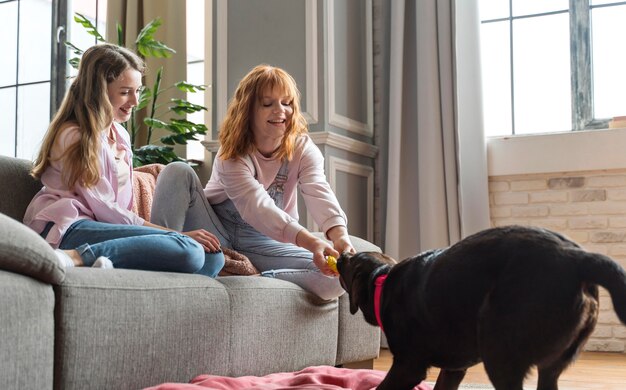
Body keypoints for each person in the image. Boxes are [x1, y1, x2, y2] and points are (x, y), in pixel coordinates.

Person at [23, 43, 224, 277]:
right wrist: (172, 235)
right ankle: (76, 256)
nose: (135, 101)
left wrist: (169, 238)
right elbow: (105, 208)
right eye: (125, 92)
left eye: (137, 91)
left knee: (212, 257)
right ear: (98, 91)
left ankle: (111, 262)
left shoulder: (120, 135)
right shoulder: (75, 136)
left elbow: (120, 208)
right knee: (189, 249)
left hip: (105, 227)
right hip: (68, 226)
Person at [204, 64, 356, 300]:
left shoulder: (304, 149)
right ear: (247, 111)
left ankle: (250, 277)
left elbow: (319, 192)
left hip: (265, 242)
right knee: (177, 171)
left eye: (287, 103)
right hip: (216, 233)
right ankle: (186, 254)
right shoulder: (231, 155)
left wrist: (340, 236)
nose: (280, 111)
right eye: (267, 104)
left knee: (336, 280)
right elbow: (258, 208)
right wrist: (311, 242)